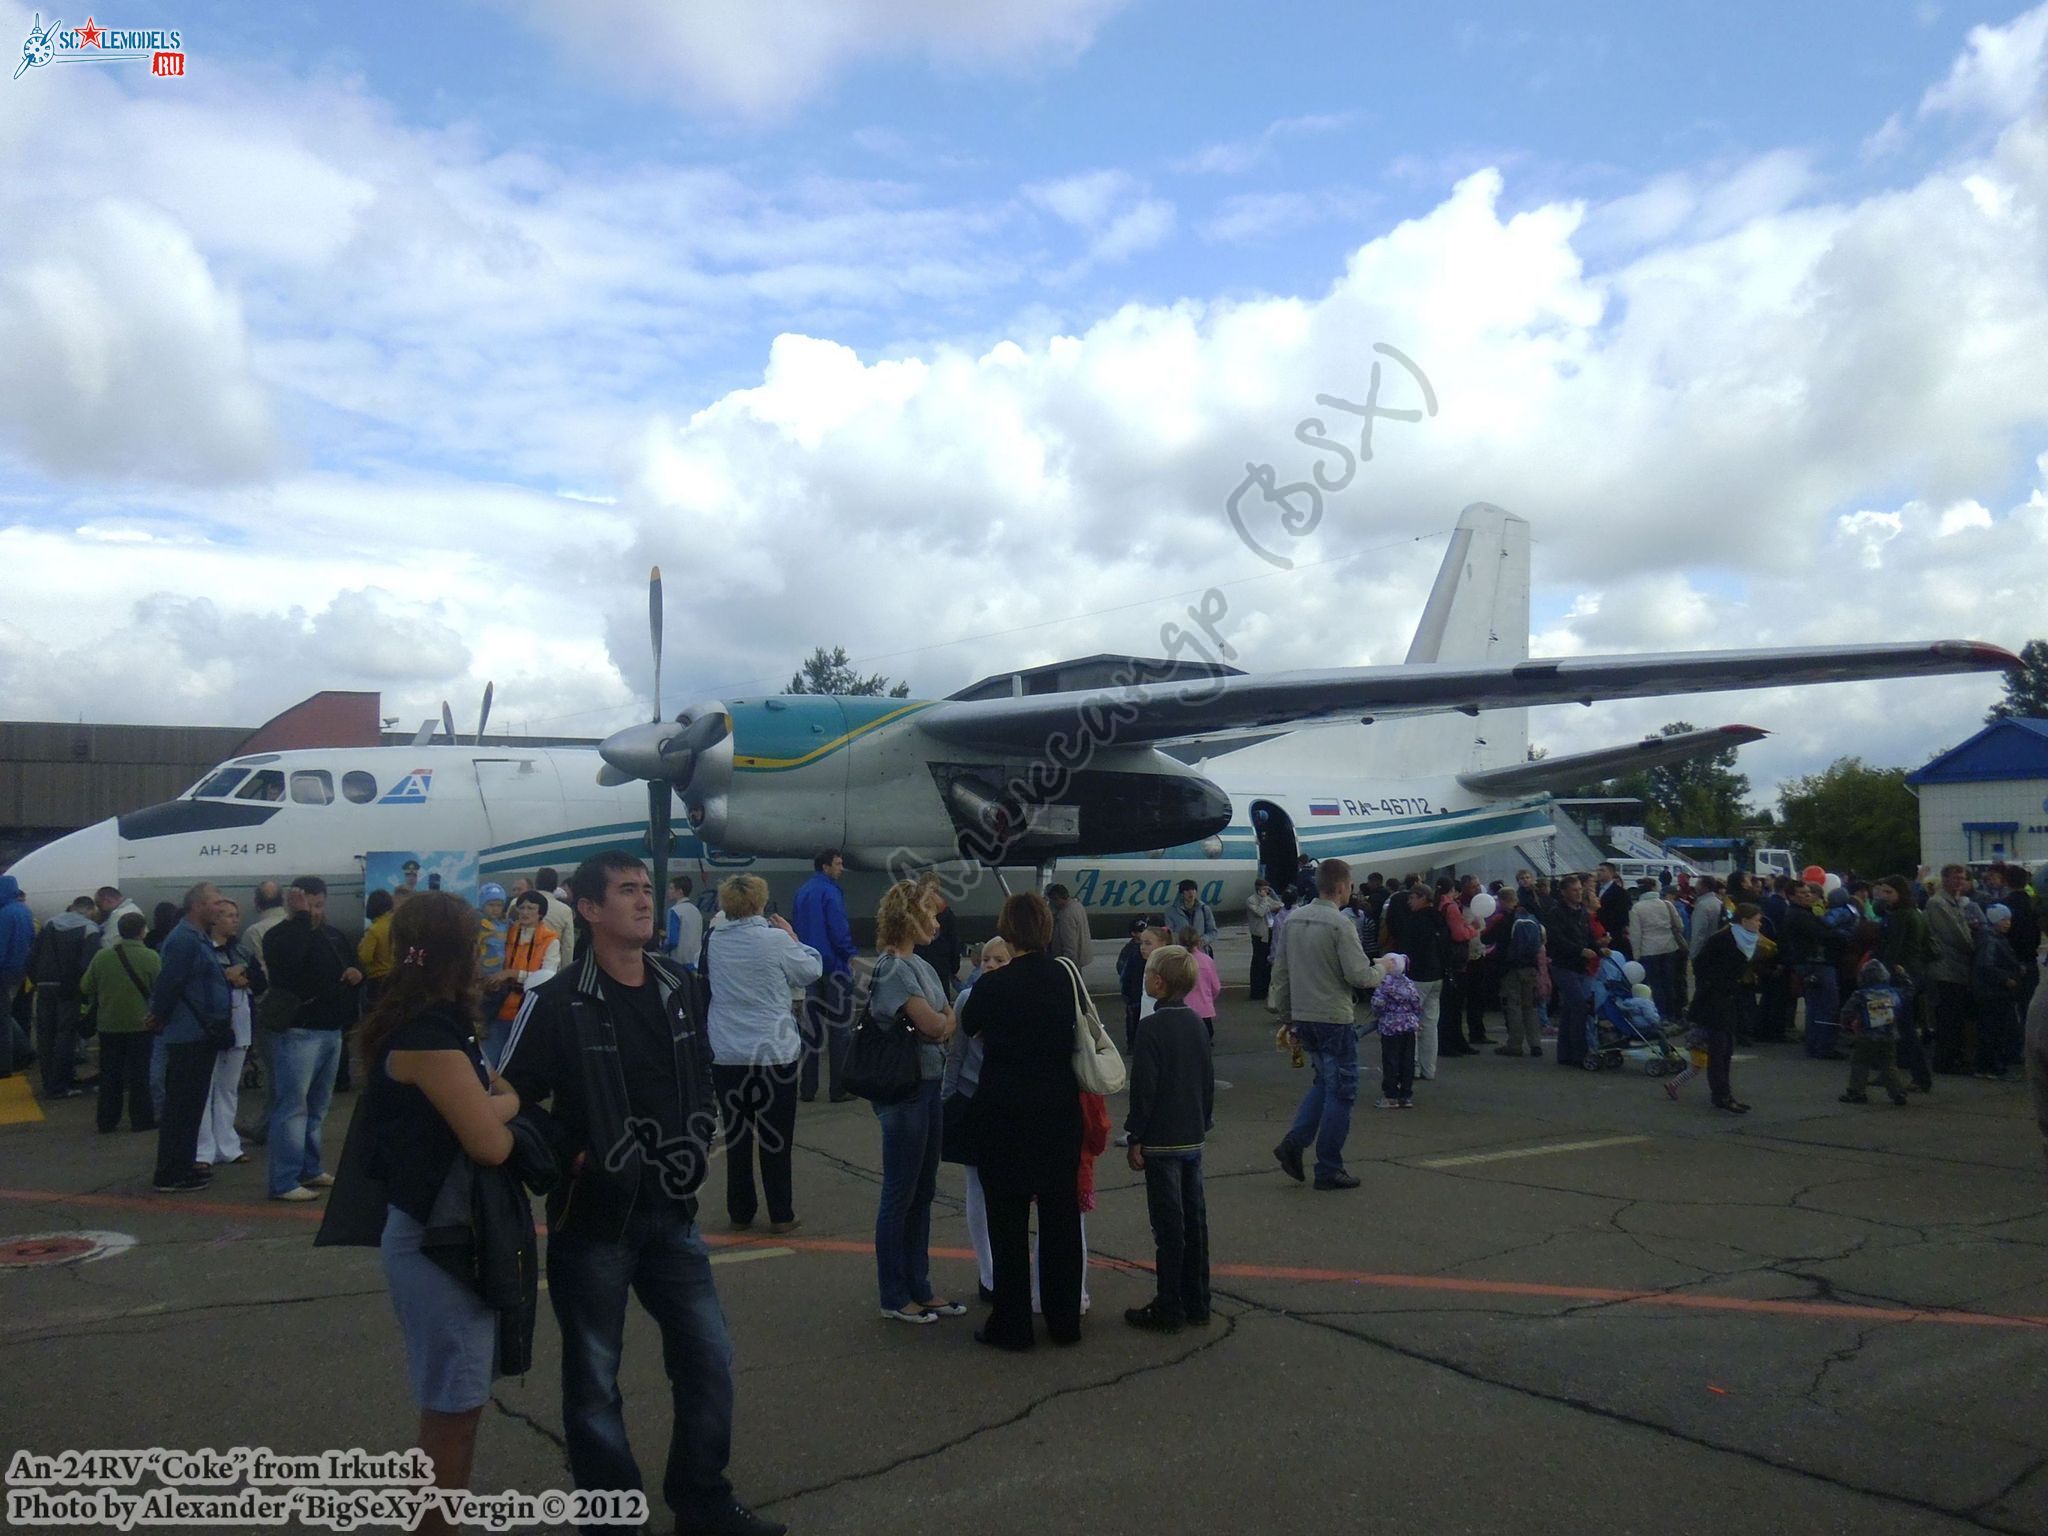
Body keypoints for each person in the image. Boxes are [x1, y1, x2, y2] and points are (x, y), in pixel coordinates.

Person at [500, 851, 782, 1536]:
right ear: (590, 909)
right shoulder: (557, 1002)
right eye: (627, 891)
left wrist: (699, 1133)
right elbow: (510, 1096)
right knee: (595, 1382)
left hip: (673, 1214)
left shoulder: (679, 985)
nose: (644, 901)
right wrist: (570, 1153)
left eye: (646, 889)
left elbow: (699, 1073)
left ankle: (702, 1498)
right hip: (593, 1222)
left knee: (709, 1358)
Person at [360, 891, 534, 1536]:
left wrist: (493, 1104)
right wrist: (500, 1110)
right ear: (457, 954)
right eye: (477, 943)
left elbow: (497, 1094)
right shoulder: (429, 1038)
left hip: (450, 1233)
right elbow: (490, 1137)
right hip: (437, 1241)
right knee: (452, 1412)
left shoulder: (436, 1025)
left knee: (458, 1405)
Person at [960, 890, 1085, 1350]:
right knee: (1060, 1217)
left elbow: (969, 1023)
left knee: (1007, 1219)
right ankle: (1064, 1318)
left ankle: (1011, 1323)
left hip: (1005, 1111)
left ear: (1009, 932)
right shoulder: (1063, 978)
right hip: (1056, 1107)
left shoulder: (993, 985)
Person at [865, 880, 962, 1325]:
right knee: (900, 1193)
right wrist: (941, 1020)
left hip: (930, 1085)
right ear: (911, 917)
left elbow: (945, 1020)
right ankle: (894, 1292)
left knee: (923, 1191)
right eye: (932, 913)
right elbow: (936, 1022)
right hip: (905, 1091)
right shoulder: (894, 969)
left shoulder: (919, 965)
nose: (938, 922)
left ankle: (919, 1286)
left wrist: (941, 1021)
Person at [705, 874, 820, 1234]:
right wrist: (793, 937)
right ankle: (781, 1212)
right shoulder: (774, 941)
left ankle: (740, 1210)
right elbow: (810, 970)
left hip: (727, 1050)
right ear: (760, 903)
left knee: (737, 1136)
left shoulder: (713, 942)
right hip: (772, 1052)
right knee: (776, 1137)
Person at [1269, 858, 1383, 1191]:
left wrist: (1288, 1015)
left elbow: (1282, 971)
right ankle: (1328, 1166)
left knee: (1323, 1082)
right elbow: (1359, 975)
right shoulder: (1340, 923)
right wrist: (1386, 967)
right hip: (1333, 1016)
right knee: (1342, 1092)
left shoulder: (1294, 919)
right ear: (1343, 886)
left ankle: (1294, 1143)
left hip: (1305, 1015)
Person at [1123, 944, 1215, 1334]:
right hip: (1191, 1134)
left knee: (1168, 1225)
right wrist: (1203, 1120)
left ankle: (1169, 1304)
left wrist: (1136, 1134)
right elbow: (1206, 1079)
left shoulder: (1151, 1028)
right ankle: (1198, 1300)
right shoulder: (1196, 1022)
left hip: (1162, 1140)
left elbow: (1145, 1087)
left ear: (1158, 982)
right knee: (1194, 1220)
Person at [262, 876, 365, 1202]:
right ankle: (284, 1179)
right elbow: (288, 965)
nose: (316, 911)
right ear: (295, 902)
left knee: (317, 1107)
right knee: (292, 1107)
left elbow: (351, 960)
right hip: (299, 1031)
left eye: (320, 905)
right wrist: (301, 920)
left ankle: (309, 1166)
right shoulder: (281, 934)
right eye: (310, 905)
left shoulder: (331, 934)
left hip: (330, 1029)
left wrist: (354, 973)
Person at [146, 882, 230, 1193]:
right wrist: (160, 1015)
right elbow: (170, 981)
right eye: (215, 902)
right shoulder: (184, 940)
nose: (219, 908)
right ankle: (170, 1172)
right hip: (189, 1033)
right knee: (182, 1105)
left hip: (199, 1033)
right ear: (197, 906)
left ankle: (182, 1165)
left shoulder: (196, 938)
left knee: (191, 1105)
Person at [944, 937, 1011, 1305]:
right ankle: (987, 1272)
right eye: (986, 959)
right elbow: (956, 1055)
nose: (989, 965)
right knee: (976, 1187)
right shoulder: (967, 999)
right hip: (973, 1099)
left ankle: (1007, 1266)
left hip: (1007, 1103)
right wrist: (947, 1099)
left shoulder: (1018, 1001)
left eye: (999, 960)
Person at [80, 910, 158, 1133]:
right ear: (142, 932)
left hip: (109, 1025)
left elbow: (86, 987)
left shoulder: (102, 957)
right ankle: (141, 1120)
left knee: (110, 1075)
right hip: (141, 1024)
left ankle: (107, 1121)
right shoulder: (151, 957)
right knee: (140, 1075)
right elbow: (160, 989)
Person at [792, 850, 858, 1104]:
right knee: (840, 1030)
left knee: (811, 1031)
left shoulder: (803, 891)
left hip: (810, 967)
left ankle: (807, 1088)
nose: (842, 868)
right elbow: (837, 926)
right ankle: (838, 1088)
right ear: (825, 866)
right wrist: (850, 953)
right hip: (835, 966)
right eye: (838, 864)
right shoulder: (831, 892)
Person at [196, 897, 256, 1170]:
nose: (234, 920)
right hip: (212, 1025)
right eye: (228, 915)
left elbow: (261, 979)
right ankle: (203, 1150)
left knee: (228, 1089)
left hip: (240, 1025)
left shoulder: (241, 950)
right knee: (206, 1087)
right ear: (215, 919)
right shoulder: (203, 949)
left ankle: (228, 1145)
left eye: (236, 914)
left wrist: (246, 977)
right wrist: (227, 977)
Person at [1691, 902, 1761, 1114]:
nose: (1759, 924)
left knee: (1726, 1047)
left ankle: (1723, 1093)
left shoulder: (1747, 940)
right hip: (1716, 1000)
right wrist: (1715, 985)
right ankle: (1722, 1094)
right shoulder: (1723, 939)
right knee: (1720, 1048)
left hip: (1731, 998)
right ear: (1744, 920)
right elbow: (1700, 964)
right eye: (1757, 920)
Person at [28, 894, 101, 1098]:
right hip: (69, 989)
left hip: (44, 985)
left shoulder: (50, 924)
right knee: (65, 1035)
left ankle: (49, 1082)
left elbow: (32, 956)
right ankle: (61, 1083)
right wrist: (83, 990)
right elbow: (89, 964)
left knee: (45, 1034)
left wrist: (37, 980)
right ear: (90, 909)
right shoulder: (90, 929)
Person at [236, 881, 292, 1146]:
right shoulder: (294, 927)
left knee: (273, 1071)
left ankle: (267, 1126)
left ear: (257, 903)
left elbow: (256, 973)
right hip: (295, 1007)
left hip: (268, 1007)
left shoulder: (255, 931)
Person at [1874, 876, 1935, 1093]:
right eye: (1882, 891)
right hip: (1914, 973)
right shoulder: (1915, 913)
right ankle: (1891, 1072)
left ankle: (1918, 1076)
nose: (1884, 896)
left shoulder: (1899, 916)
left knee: (1900, 1027)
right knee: (1896, 1027)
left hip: (1898, 976)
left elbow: (1893, 949)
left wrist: (1881, 975)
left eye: (1889, 892)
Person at [488, 892, 561, 1067]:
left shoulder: (550, 940)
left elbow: (547, 978)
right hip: (499, 1007)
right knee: (490, 1060)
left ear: (541, 912)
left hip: (528, 1010)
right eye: (521, 908)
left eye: (531, 908)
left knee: (520, 1064)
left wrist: (512, 974)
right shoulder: (505, 933)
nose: (525, 912)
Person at [1927, 863, 1982, 1074]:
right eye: (1955, 878)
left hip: (1958, 968)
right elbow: (1953, 934)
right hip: (1946, 967)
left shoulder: (1955, 902)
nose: (1959, 882)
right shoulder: (1938, 903)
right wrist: (1972, 946)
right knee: (1948, 1017)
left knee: (1956, 1017)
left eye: (1963, 878)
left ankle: (1953, 1057)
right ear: (1945, 879)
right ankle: (1945, 1061)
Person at [1544, 876, 1604, 1068]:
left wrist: (1599, 949)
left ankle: (1565, 1054)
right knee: (1579, 1005)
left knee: (1570, 1009)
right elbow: (1557, 939)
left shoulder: (1582, 913)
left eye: (1579, 889)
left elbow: (1588, 937)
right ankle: (1580, 1052)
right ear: (1564, 892)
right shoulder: (1556, 913)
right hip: (1563, 965)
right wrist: (1579, 950)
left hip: (1580, 965)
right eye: (1574, 890)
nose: (1579, 893)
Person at [1838, 959, 1911, 1107]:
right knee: (1889, 1064)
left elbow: (1847, 1011)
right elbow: (1909, 990)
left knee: (1860, 1062)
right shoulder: (1892, 993)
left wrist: (1845, 1023)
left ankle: (1856, 1092)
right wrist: (1903, 975)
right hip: (1889, 1035)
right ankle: (1898, 1092)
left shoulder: (1861, 994)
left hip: (1867, 1036)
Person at [1401, 885, 1454, 1078]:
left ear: (1423, 898)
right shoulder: (1438, 917)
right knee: (1431, 1023)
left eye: (1412, 897)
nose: (1410, 902)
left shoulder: (1416, 920)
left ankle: (1413, 1066)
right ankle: (1429, 1068)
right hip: (1437, 974)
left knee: (1412, 1022)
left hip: (1418, 974)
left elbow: (1409, 948)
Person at [1974, 904, 2024, 1080]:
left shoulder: (1993, 938)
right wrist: (2006, 978)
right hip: (1994, 993)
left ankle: (1988, 1065)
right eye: (2004, 919)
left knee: (1994, 1030)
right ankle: (1991, 1066)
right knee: (1994, 1030)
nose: (2007, 923)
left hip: (1993, 992)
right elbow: (1986, 965)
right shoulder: (1991, 940)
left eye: (2008, 919)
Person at [1495, 891, 1545, 1058]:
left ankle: (1515, 1044)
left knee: (1514, 1006)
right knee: (1530, 1007)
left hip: (1512, 968)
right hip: (1531, 967)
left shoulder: (1506, 920)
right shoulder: (1532, 919)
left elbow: (1492, 941)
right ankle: (1535, 1044)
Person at [1629, 881, 1686, 1023]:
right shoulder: (1666, 904)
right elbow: (1679, 925)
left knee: (1656, 984)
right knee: (1669, 982)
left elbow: (1635, 934)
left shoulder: (1637, 908)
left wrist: (1636, 954)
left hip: (1648, 950)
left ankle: (1662, 1015)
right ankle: (1673, 1013)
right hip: (1669, 947)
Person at [1372, 953, 1423, 1108]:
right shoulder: (1408, 983)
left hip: (1390, 1028)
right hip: (1408, 1026)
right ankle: (1406, 1095)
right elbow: (1417, 1003)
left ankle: (1391, 1095)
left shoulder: (1384, 983)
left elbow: (1378, 1004)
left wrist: (1380, 1015)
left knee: (1390, 1061)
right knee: (1407, 1060)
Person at [913, 876, 966, 999]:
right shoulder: (946, 912)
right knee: (942, 1001)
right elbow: (953, 941)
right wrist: (954, 967)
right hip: (940, 964)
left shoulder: (914, 911)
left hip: (919, 962)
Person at [1179, 927, 1222, 1043]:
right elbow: (1216, 987)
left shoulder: (1177, 961)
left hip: (1182, 1009)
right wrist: (1209, 998)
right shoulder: (1207, 960)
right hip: (1204, 1008)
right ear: (1198, 941)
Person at [1114, 918, 1149, 1054]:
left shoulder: (1145, 949)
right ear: (1133, 933)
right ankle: (1132, 1045)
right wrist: (1127, 993)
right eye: (1140, 930)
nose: (1143, 933)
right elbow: (1122, 971)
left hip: (1144, 990)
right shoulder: (1130, 951)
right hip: (1134, 992)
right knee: (1133, 1020)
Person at [359, 889, 398, 1007]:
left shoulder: (374, 930)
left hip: (378, 980)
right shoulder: (397, 925)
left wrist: (361, 945)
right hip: (397, 976)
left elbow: (365, 958)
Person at [1246, 879, 1283, 1001]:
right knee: (1258, 962)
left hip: (1269, 932)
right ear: (1259, 889)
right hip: (1259, 935)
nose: (1267, 892)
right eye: (1265, 889)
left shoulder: (1268, 898)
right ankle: (1256, 991)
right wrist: (1264, 900)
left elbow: (1280, 905)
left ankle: (1265, 989)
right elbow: (1260, 912)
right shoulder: (1251, 900)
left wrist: (1271, 897)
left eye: (1268, 889)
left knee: (1267, 962)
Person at [531, 867, 576, 962]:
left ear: (536, 884)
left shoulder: (517, 903)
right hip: (551, 964)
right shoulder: (565, 910)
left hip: (519, 965)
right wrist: (565, 972)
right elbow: (567, 946)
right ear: (555, 886)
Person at [475, 884, 511, 994]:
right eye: (491, 905)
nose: (495, 909)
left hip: (499, 977)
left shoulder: (506, 924)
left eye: (499, 905)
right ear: (482, 905)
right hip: (480, 977)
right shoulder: (477, 924)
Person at [1047, 883, 1093, 967]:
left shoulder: (1066, 916)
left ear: (1057, 899)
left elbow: (1069, 944)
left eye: (1052, 901)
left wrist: (1065, 964)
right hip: (1080, 958)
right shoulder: (1077, 905)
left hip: (1070, 962)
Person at [666, 875, 704, 974]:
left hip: (678, 964)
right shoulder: (696, 911)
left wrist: (662, 947)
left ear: (680, 891)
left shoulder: (674, 911)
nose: (668, 891)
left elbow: (672, 941)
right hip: (695, 962)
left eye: (671, 888)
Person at [1169, 880, 1217, 952]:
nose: (1191, 893)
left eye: (1193, 889)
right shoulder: (1171, 911)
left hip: (1200, 951)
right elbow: (1170, 933)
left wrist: (1203, 940)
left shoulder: (1204, 909)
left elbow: (1212, 931)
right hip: (1181, 952)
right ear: (1182, 893)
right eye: (1187, 890)